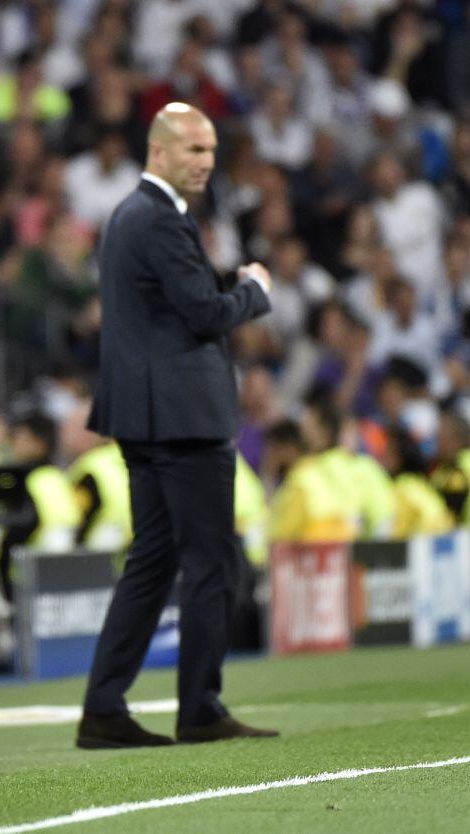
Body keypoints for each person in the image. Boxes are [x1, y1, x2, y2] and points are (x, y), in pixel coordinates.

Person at [80, 102, 278, 749]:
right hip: (182, 419)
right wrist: (254, 289)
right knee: (213, 562)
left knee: (154, 562)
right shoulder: (158, 217)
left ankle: (104, 708)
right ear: (158, 152)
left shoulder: (135, 216)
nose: (204, 162)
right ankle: (200, 709)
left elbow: (173, 301)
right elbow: (201, 312)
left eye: (211, 151)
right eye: (192, 149)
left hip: (148, 418)